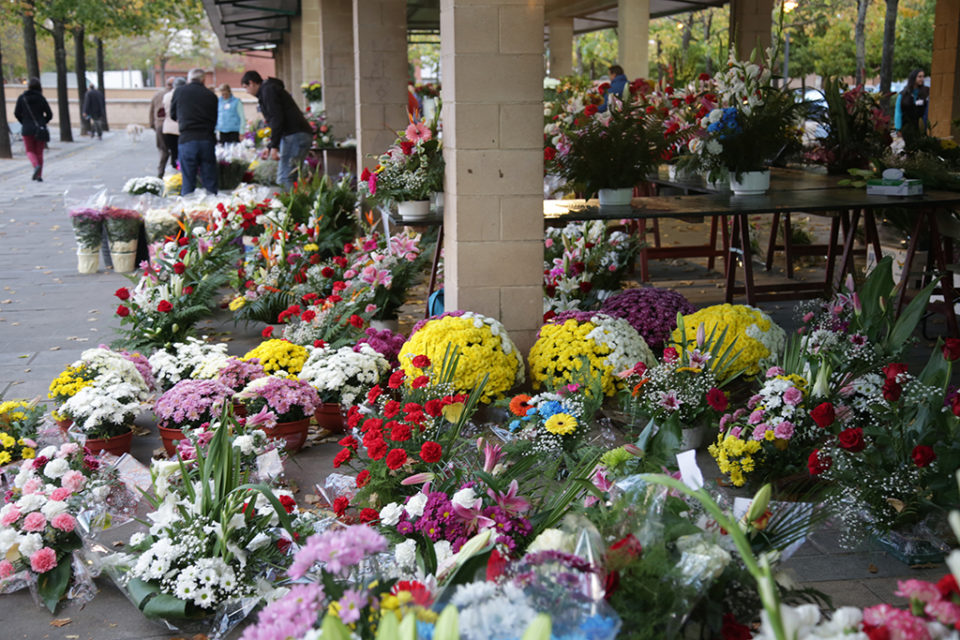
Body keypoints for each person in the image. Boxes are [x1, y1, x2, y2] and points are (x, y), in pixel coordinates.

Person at [240, 70, 313, 189]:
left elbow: (277, 118)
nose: (247, 92)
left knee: (285, 177)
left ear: (252, 83)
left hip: (293, 134)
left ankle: (289, 206)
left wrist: (274, 146)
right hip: (298, 133)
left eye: (246, 88)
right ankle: (295, 203)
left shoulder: (268, 91)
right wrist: (270, 146)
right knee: (291, 176)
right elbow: (277, 119)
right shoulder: (269, 89)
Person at [170, 67, 219, 195]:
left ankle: (188, 210)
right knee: (210, 180)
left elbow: (173, 114)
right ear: (203, 80)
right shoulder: (211, 96)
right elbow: (214, 119)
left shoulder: (179, 92)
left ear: (189, 79)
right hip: (206, 139)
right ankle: (214, 210)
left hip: (187, 138)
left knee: (188, 181)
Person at [13, 77, 53, 182]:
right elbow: (49, 114)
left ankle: (35, 166)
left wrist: (24, 122)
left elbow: (16, 113)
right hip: (40, 128)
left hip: (27, 129)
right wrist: (43, 122)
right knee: (39, 152)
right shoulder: (41, 98)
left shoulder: (22, 98)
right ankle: (39, 176)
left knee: (30, 151)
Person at [894, 68, 929, 147]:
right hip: (907, 126)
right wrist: (898, 128)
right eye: (919, 77)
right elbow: (898, 111)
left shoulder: (926, 92)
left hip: (920, 127)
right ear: (914, 78)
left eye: (923, 76)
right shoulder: (903, 94)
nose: (922, 79)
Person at [149, 77, 174, 178]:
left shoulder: (157, 95)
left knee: (163, 150)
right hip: (172, 126)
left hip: (159, 124)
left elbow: (151, 111)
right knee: (174, 150)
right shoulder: (175, 94)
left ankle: (161, 171)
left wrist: (153, 124)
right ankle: (174, 172)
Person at [162, 77, 186, 173]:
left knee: (173, 153)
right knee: (182, 154)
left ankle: (174, 174)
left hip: (168, 128)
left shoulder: (167, 96)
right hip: (180, 128)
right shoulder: (183, 95)